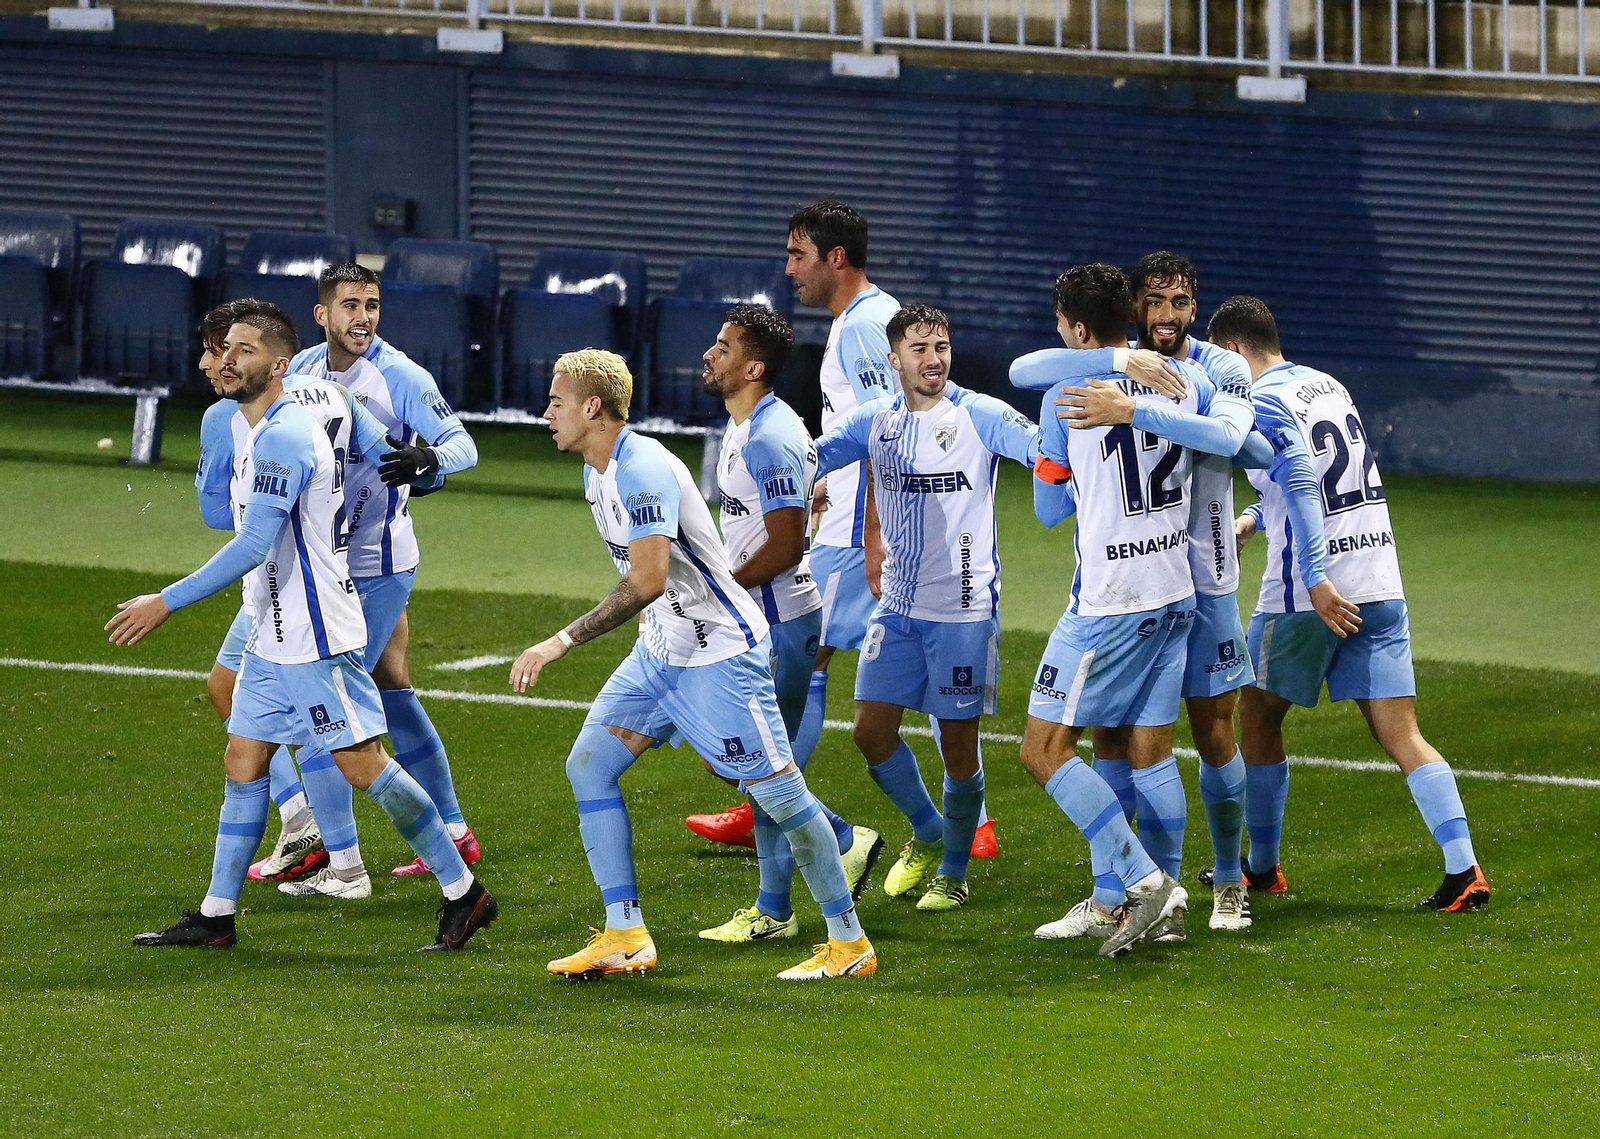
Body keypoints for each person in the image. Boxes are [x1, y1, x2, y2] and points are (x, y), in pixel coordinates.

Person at [114, 307, 496, 951]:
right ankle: (216, 915)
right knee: (243, 757)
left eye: (245, 350)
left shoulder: (285, 436)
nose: (228, 360)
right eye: (225, 349)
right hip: (271, 627)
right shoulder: (273, 417)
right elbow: (379, 448)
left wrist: (167, 601)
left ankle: (464, 891)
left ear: (280, 365)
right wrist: (408, 463)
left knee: (363, 765)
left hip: (316, 632)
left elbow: (253, 543)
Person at [510, 349, 877, 981]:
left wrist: (559, 642)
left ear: (592, 407)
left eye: (556, 400)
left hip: (720, 656)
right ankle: (625, 935)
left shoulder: (642, 467)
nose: (547, 411)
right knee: (590, 765)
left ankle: (850, 946)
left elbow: (648, 580)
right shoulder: (596, 474)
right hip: (662, 651)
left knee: (784, 799)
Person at [687, 200, 999, 858]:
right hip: (853, 517)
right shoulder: (865, 321)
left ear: (835, 259)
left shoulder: (863, 328)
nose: (788, 268)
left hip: (856, 534)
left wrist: (875, 528)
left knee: (802, 657)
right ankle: (784, 803)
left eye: (798, 255)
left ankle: (776, 804)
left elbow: (899, 421)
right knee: (817, 664)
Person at [1208, 295, 1491, 912]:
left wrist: (1305, 569)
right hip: (1379, 578)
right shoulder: (1328, 386)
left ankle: (1260, 868)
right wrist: (1258, 514)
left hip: (1310, 589)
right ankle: (1463, 869)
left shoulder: (1258, 402)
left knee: (1253, 714)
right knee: (1401, 732)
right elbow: (1332, 475)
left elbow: (1306, 485)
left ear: (1233, 351)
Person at [813, 305, 1037, 911]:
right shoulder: (875, 419)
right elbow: (815, 454)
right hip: (898, 604)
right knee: (869, 730)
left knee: (958, 747)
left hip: (963, 609)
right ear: (894, 360)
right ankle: (930, 829)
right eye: (920, 348)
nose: (933, 358)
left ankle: (954, 872)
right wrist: (796, 476)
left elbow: (1044, 452)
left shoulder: (980, 414)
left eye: (941, 346)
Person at [1016, 264, 1200, 957]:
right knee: (1139, 746)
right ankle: (1120, 901)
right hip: (1175, 590)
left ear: (1081, 329)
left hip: (1109, 603)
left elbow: (1047, 506)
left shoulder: (1065, 389)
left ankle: (1150, 882)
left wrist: (1063, 470)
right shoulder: (1181, 378)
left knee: (1042, 749)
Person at [283, 264, 482, 891]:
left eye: (371, 305)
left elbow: (464, 447)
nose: (362, 317)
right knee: (392, 691)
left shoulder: (398, 375)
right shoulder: (302, 373)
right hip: (325, 559)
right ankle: (452, 829)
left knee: (324, 711)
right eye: (350, 305)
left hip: (376, 563)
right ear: (323, 315)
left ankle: (339, 861)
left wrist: (427, 457)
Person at [695, 307, 885, 943]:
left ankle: (783, 903)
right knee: (753, 763)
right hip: (772, 617)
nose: (710, 355)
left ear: (753, 367)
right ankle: (816, 860)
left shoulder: (769, 436)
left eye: (723, 348)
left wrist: (717, 588)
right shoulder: (754, 426)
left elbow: (786, 543)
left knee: (759, 765)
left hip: (778, 620)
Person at [194, 300, 325, 883]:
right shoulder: (288, 407)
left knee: (351, 752)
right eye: (217, 349)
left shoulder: (247, 422)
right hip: (274, 590)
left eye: (222, 349)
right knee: (230, 698)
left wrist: (165, 602)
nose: (211, 362)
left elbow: (225, 521)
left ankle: (348, 858)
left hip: (302, 597)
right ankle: (295, 828)